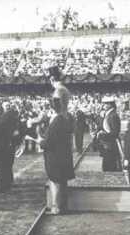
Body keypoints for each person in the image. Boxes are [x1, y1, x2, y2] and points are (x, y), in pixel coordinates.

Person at [39, 65, 75, 215]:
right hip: (64, 128)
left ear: (52, 79)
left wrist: (42, 118)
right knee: (61, 176)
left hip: (58, 127)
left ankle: (56, 206)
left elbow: (56, 107)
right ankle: (61, 205)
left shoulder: (58, 91)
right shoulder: (65, 90)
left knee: (55, 177)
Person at [0, 102, 22, 193]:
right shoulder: (3, 123)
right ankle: (4, 186)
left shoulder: (6, 122)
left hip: (5, 147)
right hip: (1, 147)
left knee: (6, 166)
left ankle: (7, 184)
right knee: (3, 167)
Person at [97, 96, 121, 171]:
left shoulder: (113, 115)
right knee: (107, 166)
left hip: (110, 145)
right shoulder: (108, 114)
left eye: (105, 104)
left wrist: (102, 134)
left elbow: (115, 133)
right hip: (107, 145)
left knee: (109, 167)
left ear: (110, 105)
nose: (103, 106)